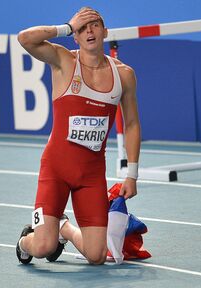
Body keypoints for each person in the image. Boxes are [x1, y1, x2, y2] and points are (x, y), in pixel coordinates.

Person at [15, 7, 141, 265]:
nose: (89, 31)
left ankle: (65, 230)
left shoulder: (124, 75)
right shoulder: (64, 61)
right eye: (83, 28)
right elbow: (25, 38)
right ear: (76, 36)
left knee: (97, 256)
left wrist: (132, 174)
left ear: (105, 32)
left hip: (91, 175)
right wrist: (66, 26)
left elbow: (131, 124)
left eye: (94, 25)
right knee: (42, 247)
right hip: (56, 170)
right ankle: (23, 242)